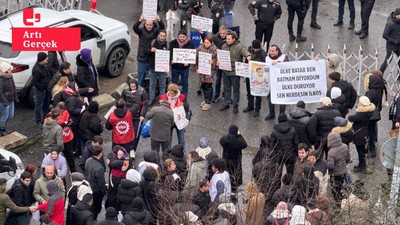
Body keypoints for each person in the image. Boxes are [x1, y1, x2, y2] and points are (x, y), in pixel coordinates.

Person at [219, 30, 251, 114]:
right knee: (226, 88)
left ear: (233, 39)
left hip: (235, 72)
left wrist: (248, 56)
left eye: (229, 39)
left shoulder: (239, 46)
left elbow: (245, 51)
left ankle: (235, 105)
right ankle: (226, 103)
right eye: (226, 39)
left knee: (236, 89)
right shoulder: (224, 46)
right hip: (226, 71)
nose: (227, 40)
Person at [121, 78, 149, 153]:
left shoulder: (142, 91)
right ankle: (127, 149)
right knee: (126, 132)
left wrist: (142, 115)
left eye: (134, 86)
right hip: (127, 115)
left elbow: (145, 104)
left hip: (138, 117)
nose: (133, 88)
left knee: (136, 134)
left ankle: (133, 150)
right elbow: (122, 101)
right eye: (131, 86)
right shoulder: (125, 91)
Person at [348, 96, 374, 173]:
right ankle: (362, 164)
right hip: (364, 132)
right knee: (362, 150)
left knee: (360, 150)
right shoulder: (368, 111)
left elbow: (350, 118)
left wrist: (358, 109)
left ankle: (362, 166)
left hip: (359, 134)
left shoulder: (361, 114)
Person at [159, 83, 187, 149]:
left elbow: (186, 108)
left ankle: (182, 152)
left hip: (179, 120)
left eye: (172, 93)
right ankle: (168, 153)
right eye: (170, 93)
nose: (171, 95)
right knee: (168, 139)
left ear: (176, 92)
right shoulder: (164, 97)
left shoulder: (181, 97)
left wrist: (183, 104)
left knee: (181, 139)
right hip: (169, 120)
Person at [220, 124, 247, 191]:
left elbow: (221, 141)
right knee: (235, 177)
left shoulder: (225, 139)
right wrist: (239, 135)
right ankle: (234, 190)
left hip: (226, 160)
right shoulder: (238, 141)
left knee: (227, 175)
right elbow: (244, 144)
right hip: (235, 162)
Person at [327, 131, 350, 208]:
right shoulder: (345, 146)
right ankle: (344, 201)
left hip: (335, 174)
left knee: (335, 190)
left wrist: (330, 172)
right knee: (342, 186)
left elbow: (330, 166)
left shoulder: (331, 152)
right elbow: (348, 158)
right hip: (343, 170)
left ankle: (338, 204)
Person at [265, 44, 289, 120]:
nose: (271, 53)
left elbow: (288, 67)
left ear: (277, 51)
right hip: (271, 82)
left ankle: (281, 115)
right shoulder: (267, 58)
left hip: (281, 82)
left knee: (282, 99)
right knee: (270, 98)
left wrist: (278, 63)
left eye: (273, 51)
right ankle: (271, 113)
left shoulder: (284, 57)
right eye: (270, 51)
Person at [243, 39, 266, 117]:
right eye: (254, 48)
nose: (255, 50)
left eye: (257, 49)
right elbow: (246, 61)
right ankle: (250, 106)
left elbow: (264, 66)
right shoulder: (249, 50)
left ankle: (257, 109)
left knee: (257, 93)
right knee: (249, 91)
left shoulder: (263, 54)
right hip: (249, 75)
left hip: (258, 76)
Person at [170, 29, 195, 97]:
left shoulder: (191, 44)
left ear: (186, 37)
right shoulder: (172, 43)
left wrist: (188, 63)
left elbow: (192, 56)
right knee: (174, 83)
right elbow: (170, 54)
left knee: (185, 83)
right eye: (180, 36)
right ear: (178, 36)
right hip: (175, 67)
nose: (182, 38)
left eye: (183, 37)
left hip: (185, 68)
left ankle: (184, 97)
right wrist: (171, 60)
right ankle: (174, 95)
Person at [196, 35, 218, 111]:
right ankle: (205, 100)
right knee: (204, 86)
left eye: (208, 43)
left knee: (208, 86)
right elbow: (196, 58)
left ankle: (208, 102)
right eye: (205, 43)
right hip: (202, 71)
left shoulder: (215, 49)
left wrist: (213, 62)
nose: (206, 44)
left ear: (211, 43)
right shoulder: (200, 48)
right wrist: (197, 68)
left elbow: (218, 61)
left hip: (210, 72)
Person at [365, 72, 384, 158]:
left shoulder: (370, 93)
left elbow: (366, 104)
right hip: (376, 113)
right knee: (372, 130)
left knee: (369, 132)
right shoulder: (379, 90)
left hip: (369, 115)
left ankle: (371, 149)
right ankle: (371, 147)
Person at [84, 145, 106, 220]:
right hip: (96, 191)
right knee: (96, 207)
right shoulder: (99, 168)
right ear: (100, 153)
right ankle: (93, 219)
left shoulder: (88, 160)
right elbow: (101, 183)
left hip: (88, 186)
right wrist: (104, 191)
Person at [148, 30, 169, 106]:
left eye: (164, 36)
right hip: (152, 68)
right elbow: (145, 51)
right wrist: (151, 50)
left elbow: (169, 57)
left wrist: (167, 67)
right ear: (158, 36)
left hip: (162, 69)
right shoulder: (153, 42)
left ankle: (162, 100)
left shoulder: (168, 45)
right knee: (152, 85)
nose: (162, 37)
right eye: (161, 36)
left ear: (165, 37)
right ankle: (151, 98)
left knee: (162, 85)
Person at [55, 102, 76, 173]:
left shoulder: (66, 113)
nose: (62, 112)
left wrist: (65, 123)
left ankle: (74, 173)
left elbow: (68, 121)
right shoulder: (52, 114)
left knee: (70, 158)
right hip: (59, 140)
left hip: (67, 139)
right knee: (58, 159)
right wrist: (63, 124)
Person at [32, 52, 51, 127]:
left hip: (45, 88)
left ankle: (46, 118)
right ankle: (38, 121)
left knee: (46, 104)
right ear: (42, 59)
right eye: (46, 58)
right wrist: (42, 88)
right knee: (39, 106)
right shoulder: (36, 70)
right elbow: (35, 82)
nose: (47, 59)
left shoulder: (43, 66)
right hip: (40, 90)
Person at [379, 8, 400, 75]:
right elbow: (385, 35)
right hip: (391, 46)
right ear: (397, 15)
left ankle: (399, 74)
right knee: (387, 61)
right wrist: (394, 41)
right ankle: (380, 76)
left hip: (399, 44)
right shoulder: (390, 23)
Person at [211, 26, 227, 103]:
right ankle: (217, 94)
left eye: (224, 33)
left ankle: (225, 95)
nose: (222, 35)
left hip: (226, 61)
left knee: (226, 80)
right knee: (218, 80)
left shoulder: (230, 37)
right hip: (218, 62)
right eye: (221, 33)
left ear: (227, 32)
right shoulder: (215, 38)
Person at [0, 62, 17, 136]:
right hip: (4, 101)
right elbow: (0, 92)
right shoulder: (1, 79)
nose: (11, 70)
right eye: (9, 69)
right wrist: (5, 102)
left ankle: (3, 126)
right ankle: (2, 129)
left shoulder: (10, 76)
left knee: (11, 115)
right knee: (5, 115)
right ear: (5, 71)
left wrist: (15, 97)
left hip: (11, 99)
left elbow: (13, 86)